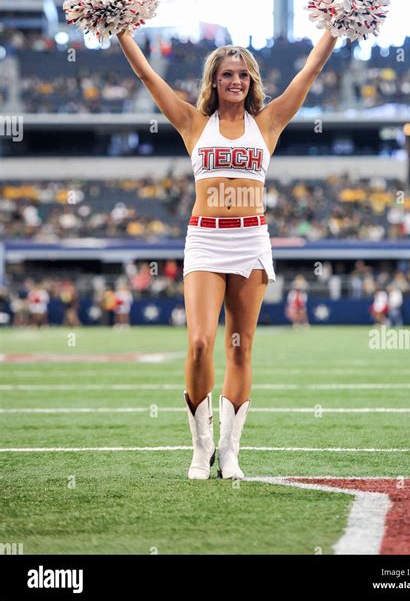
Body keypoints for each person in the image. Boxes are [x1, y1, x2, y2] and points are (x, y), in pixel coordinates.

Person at [117, 29, 338, 479]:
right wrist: (121, 27)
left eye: (242, 74)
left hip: (251, 241)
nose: (235, 81)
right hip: (205, 239)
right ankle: (201, 449)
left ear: (252, 81)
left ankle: (230, 451)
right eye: (225, 75)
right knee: (199, 343)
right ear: (213, 82)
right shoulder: (193, 123)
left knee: (241, 349)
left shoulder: (268, 123)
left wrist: (336, 22)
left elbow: (310, 70)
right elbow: (144, 73)